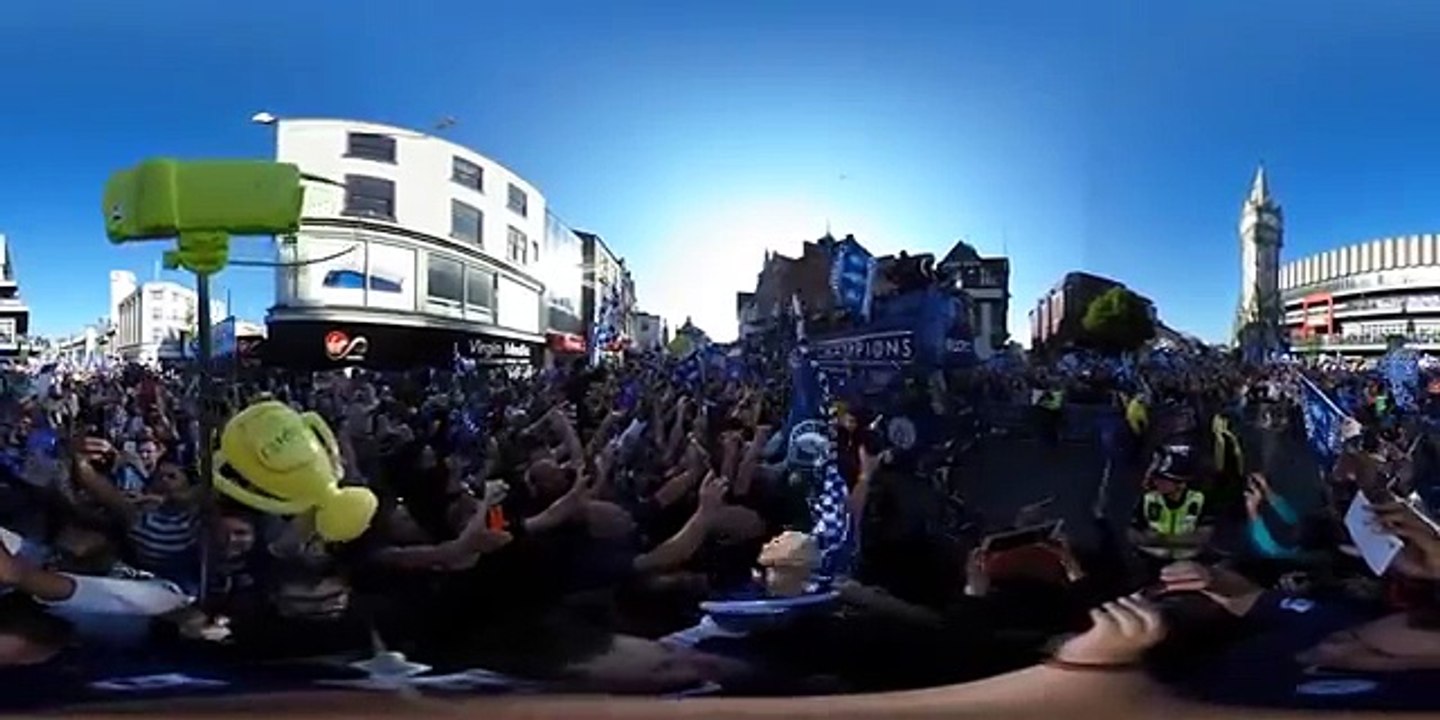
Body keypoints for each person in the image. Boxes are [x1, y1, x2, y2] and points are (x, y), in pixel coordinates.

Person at [1129, 446, 1213, 563]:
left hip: (1189, 562)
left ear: (1182, 483)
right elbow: (1133, 535)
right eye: (1157, 478)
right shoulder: (1148, 499)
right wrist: (1183, 540)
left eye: (1164, 479)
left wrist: (1160, 539)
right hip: (1150, 561)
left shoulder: (1199, 500)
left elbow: (1203, 537)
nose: (1157, 482)